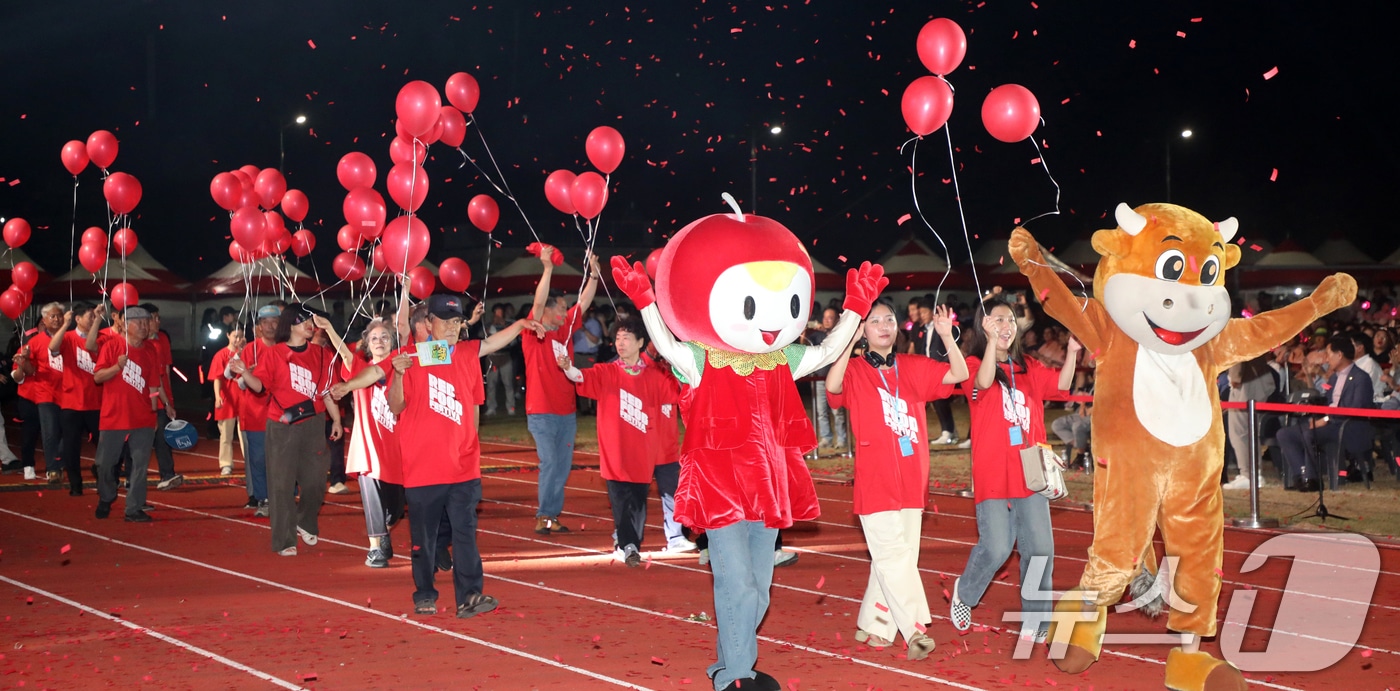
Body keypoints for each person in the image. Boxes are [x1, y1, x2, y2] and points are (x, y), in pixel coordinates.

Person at [375, 294, 537, 616]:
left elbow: (491, 343)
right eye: (445, 321)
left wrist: (520, 324)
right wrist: (399, 375)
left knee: (465, 534)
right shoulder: (412, 356)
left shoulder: (463, 352)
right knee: (425, 539)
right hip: (424, 468)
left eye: (457, 321)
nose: (452, 327)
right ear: (428, 324)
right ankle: (424, 592)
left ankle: (470, 595)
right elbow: (395, 406)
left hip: (462, 467)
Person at [824, 299, 968, 660]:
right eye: (874, 321)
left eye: (890, 318)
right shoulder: (856, 369)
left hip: (911, 479)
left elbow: (959, 374)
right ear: (864, 331)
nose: (884, 326)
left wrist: (947, 337)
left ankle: (875, 624)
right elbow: (833, 386)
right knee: (893, 557)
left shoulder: (913, 366)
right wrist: (846, 342)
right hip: (874, 480)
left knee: (896, 557)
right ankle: (915, 630)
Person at [949, 296, 1077, 643]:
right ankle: (966, 592)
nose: (1005, 326)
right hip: (993, 469)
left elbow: (1062, 387)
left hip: (1031, 471)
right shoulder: (974, 362)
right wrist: (992, 344)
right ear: (984, 325)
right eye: (997, 321)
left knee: (1039, 549)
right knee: (997, 547)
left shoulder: (1030, 367)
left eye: (1010, 320)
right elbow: (985, 382)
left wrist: (1075, 352)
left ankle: (1036, 620)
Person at [557, 318, 682, 566]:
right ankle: (628, 545)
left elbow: (677, 390)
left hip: (642, 454)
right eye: (617, 338)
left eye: (626, 338)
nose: (620, 343)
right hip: (615, 453)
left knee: (637, 503)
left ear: (640, 343)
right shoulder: (607, 372)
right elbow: (580, 376)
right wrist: (567, 367)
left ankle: (631, 541)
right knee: (620, 501)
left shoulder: (655, 376)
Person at [232, 304, 343, 555]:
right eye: (303, 321)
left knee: (315, 483)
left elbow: (326, 391)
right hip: (281, 425)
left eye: (310, 321)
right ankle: (285, 540)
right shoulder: (274, 354)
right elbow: (260, 386)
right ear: (290, 324)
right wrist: (243, 372)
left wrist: (336, 420)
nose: (309, 325)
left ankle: (305, 520)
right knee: (281, 486)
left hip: (314, 423)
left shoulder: (321, 354)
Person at [522, 246, 601, 535]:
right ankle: (544, 514)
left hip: (566, 411)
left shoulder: (565, 328)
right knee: (550, 462)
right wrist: (547, 268)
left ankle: (551, 515)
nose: (565, 311)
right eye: (561, 307)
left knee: (563, 466)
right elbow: (540, 303)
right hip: (541, 412)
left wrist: (593, 274)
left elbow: (585, 301)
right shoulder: (533, 331)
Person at [328, 319, 405, 568]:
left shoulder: (401, 368)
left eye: (385, 337)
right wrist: (330, 327)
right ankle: (375, 547)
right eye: (374, 338)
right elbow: (345, 355)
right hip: (368, 448)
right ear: (368, 345)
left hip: (397, 449)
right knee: (373, 502)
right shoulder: (360, 369)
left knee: (396, 508)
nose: (380, 341)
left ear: (393, 342)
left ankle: (383, 533)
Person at [91, 306, 170, 522]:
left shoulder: (150, 350)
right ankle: (107, 496)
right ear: (126, 326)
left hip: (142, 417)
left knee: (140, 465)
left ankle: (133, 508)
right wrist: (117, 367)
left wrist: (155, 412)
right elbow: (98, 377)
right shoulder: (111, 346)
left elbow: (154, 384)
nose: (145, 327)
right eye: (140, 323)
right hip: (114, 417)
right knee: (104, 464)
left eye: (147, 323)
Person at [1275, 335, 1375, 491]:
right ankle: (1302, 475)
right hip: (1329, 423)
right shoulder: (1334, 377)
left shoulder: (1361, 378)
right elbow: (1326, 400)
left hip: (1348, 427)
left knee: (1310, 433)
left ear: (1340, 355)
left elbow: (1355, 408)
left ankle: (1312, 478)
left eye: (1329, 355)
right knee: (1284, 434)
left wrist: (1326, 419)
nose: (1326, 360)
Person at [47, 302, 109, 495]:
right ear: (78, 319)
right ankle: (75, 484)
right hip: (71, 403)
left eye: (94, 316)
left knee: (105, 444)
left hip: (96, 402)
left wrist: (99, 318)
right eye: (90, 316)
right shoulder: (67, 338)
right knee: (71, 447)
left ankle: (103, 476)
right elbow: (52, 347)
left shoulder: (101, 338)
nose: (92, 319)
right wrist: (64, 325)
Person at [8, 302, 65, 481]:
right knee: (42, 432)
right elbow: (25, 373)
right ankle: (46, 467)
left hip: (67, 394)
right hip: (39, 395)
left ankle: (59, 461)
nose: (56, 319)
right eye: (51, 317)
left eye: (59, 316)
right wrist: (22, 362)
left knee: (69, 431)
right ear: (43, 321)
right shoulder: (33, 343)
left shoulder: (69, 338)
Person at [235, 305, 281, 515]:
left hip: (282, 415)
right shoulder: (250, 350)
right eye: (266, 322)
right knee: (259, 459)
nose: (271, 326)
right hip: (256, 415)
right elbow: (239, 384)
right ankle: (263, 499)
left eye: (275, 322)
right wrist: (247, 375)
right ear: (259, 326)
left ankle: (284, 497)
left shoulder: (286, 347)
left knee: (283, 459)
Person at [141, 303, 184, 491]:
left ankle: (167, 474)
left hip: (161, 396)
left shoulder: (163, 339)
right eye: (155, 318)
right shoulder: (139, 344)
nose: (158, 321)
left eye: (158, 317)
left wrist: (168, 400)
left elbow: (164, 372)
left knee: (163, 437)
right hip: (144, 398)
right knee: (138, 440)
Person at [1220, 353, 1277, 490]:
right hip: (1254, 377)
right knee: (1247, 430)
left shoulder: (1235, 331)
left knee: (1239, 431)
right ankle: (1251, 473)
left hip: (1247, 380)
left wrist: (1235, 376)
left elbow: (1237, 350)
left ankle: (1248, 474)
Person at [807, 306, 847, 452]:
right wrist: (809, 330)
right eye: (825, 318)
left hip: (836, 380)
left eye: (830, 318)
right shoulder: (817, 336)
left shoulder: (841, 336)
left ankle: (842, 439)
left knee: (837, 411)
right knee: (821, 410)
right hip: (819, 378)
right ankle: (826, 438)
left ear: (837, 320)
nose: (827, 321)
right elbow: (804, 344)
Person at [210, 328, 246, 477]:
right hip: (228, 399)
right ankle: (226, 463)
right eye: (234, 336)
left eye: (240, 336)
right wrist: (218, 396)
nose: (237, 339)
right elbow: (217, 377)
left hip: (244, 399)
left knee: (245, 434)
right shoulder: (221, 355)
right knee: (226, 435)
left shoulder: (248, 353)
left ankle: (249, 461)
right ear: (228, 336)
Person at [483, 303, 518, 416]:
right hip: (492, 357)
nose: (498, 314)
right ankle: (491, 407)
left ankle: (510, 407)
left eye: (500, 312)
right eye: (496, 312)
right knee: (491, 384)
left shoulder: (509, 324)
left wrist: (504, 327)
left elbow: (513, 341)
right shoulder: (488, 325)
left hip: (505, 357)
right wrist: (490, 327)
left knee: (508, 383)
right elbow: (483, 338)